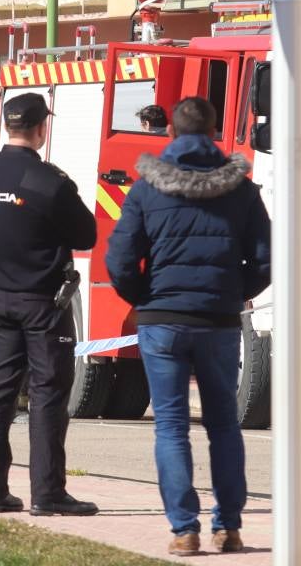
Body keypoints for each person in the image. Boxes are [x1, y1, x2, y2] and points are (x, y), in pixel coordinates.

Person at [105, 97, 269, 556]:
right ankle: (229, 527)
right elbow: (266, 259)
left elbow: (118, 258)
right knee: (224, 426)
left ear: (171, 134)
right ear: (215, 131)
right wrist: (235, 292)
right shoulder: (242, 189)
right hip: (218, 321)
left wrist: (143, 297)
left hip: (163, 321)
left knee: (171, 427)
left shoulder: (146, 189)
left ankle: (184, 530)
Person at [0, 93, 98, 517]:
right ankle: (48, 493)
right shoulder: (48, 181)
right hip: (43, 302)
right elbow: (86, 235)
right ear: (42, 128)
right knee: (47, 395)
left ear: (9, 126)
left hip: (1, 299)